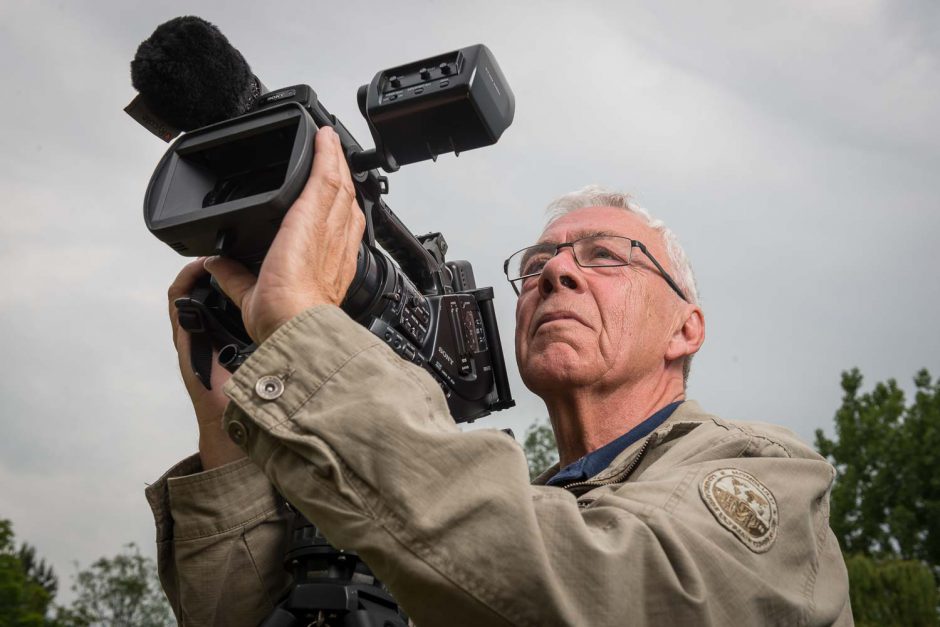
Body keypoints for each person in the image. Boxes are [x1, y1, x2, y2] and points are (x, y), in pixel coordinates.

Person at [146, 126, 853, 625]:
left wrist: (305, 332)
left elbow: (598, 591)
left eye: (606, 255)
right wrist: (227, 431)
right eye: (537, 265)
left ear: (686, 329)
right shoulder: (495, 517)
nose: (559, 273)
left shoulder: (768, 474)